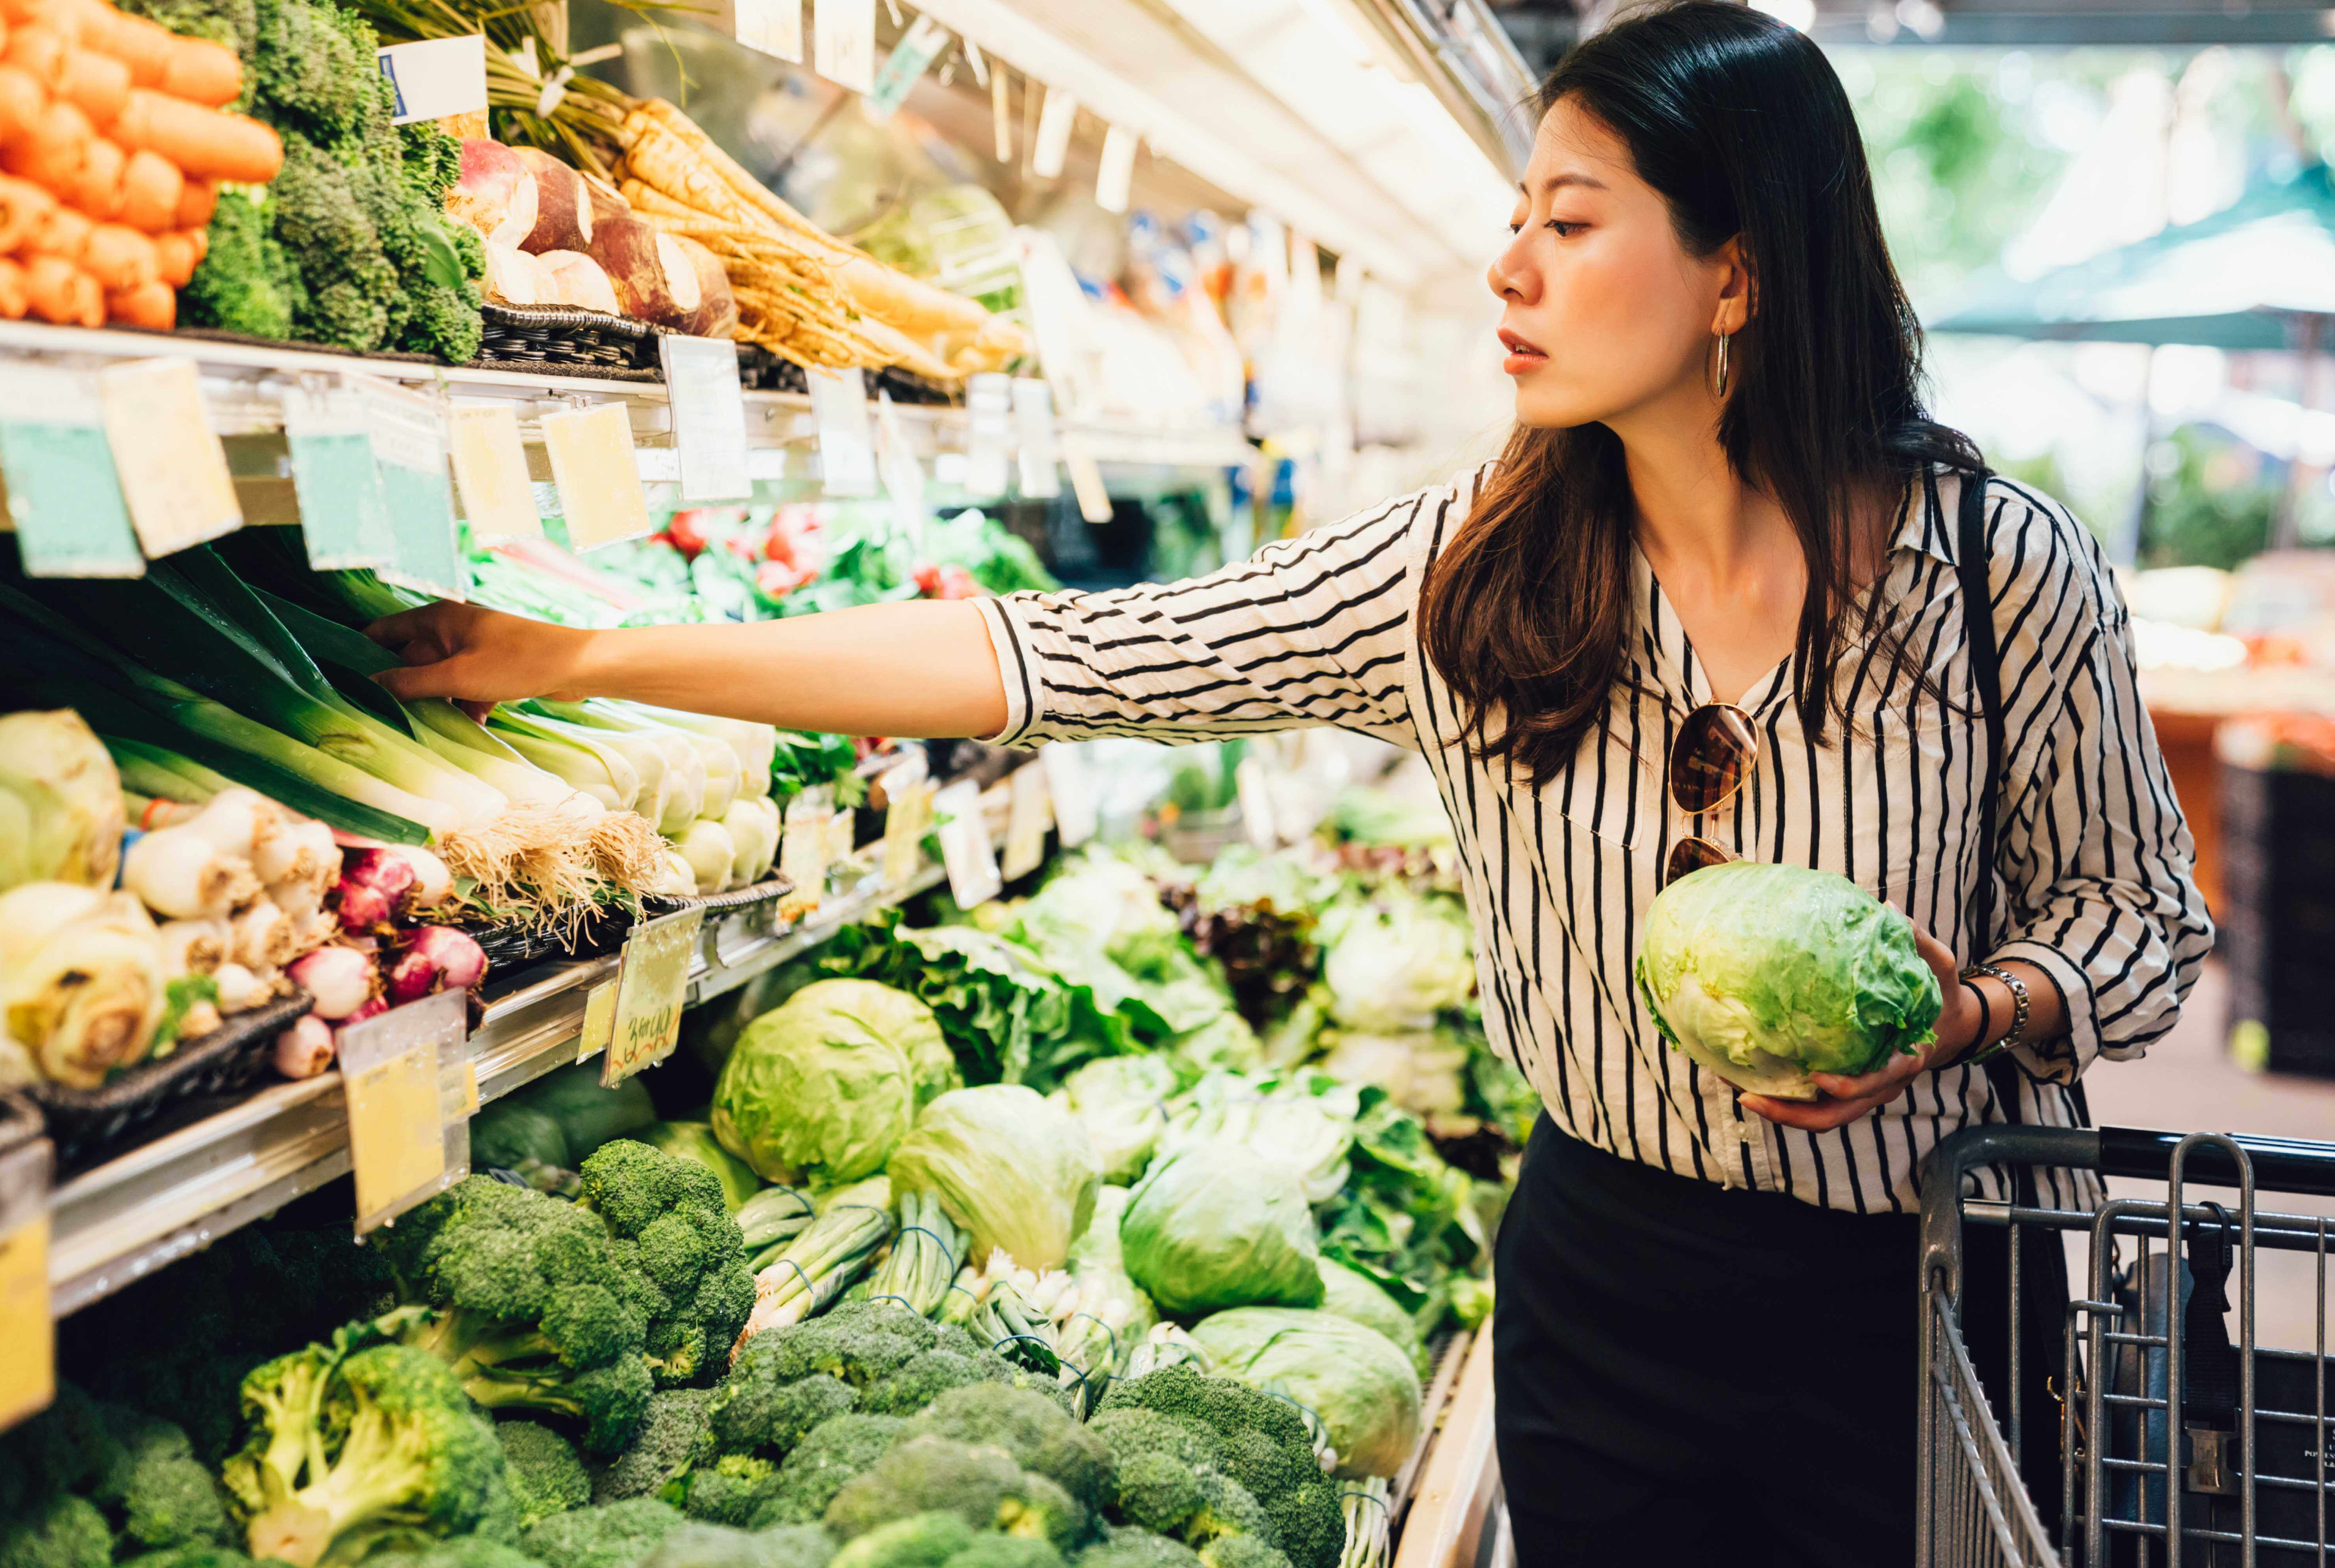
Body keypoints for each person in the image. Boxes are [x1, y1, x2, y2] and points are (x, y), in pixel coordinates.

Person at [369, 4, 2211, 1560]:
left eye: (1572, 223)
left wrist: (1969, 1005)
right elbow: (1048, 660)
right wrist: (580, 658)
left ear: (1737, 269)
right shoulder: (1467, 583)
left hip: (1927, 1304)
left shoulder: (1994, 571)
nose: (1510, 270)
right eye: (1516, 218)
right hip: (1615, 1285)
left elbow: (2139, 919)